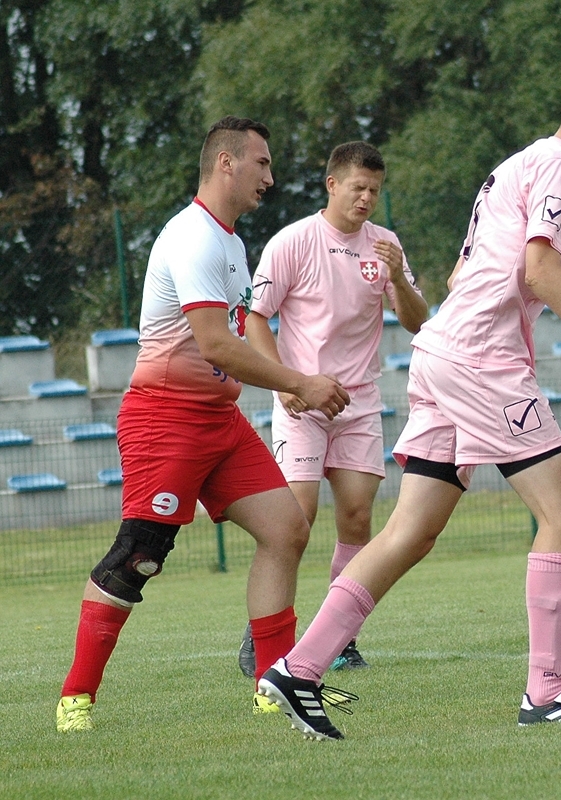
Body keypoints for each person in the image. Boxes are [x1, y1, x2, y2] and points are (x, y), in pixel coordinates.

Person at [257, 75, 561, 740]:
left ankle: (299, 668)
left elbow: (465, 275)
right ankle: (545, 692)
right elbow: (539, 270)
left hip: (440, 351)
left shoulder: (514, 164)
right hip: (479, 361)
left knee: (411, 533)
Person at [55, 117, 350, 733]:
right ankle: (75, 698)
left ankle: (274, 684)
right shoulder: (192, 237)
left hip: (219, 420)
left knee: (287, 530)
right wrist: (298, 382)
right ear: (226, 163)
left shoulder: (233, 243)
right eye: (262, 164)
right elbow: (214, 345)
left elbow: (234, 343)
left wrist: (281, 383)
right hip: (165, 418)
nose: (270, 177)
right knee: (140, 554)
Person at [238, 141, 427, 678]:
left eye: (375, 191)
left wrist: (396, 277)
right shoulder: (294, 241)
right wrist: (286, 386)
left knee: (358, 518)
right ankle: (264, 630)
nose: (367, 199)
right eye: (358, 188)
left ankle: (339, 638)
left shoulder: (385, 246)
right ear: (333, 185)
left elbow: (417, 320)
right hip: (300, 402)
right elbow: (256, 318)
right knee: (294, 521)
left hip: (359, 403)